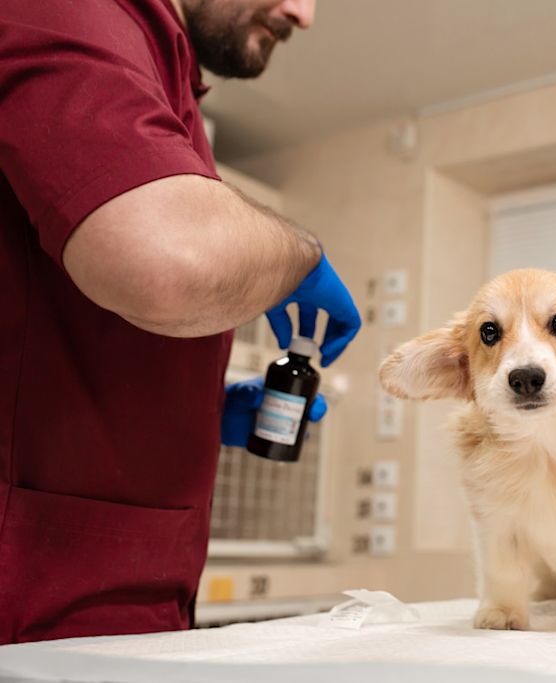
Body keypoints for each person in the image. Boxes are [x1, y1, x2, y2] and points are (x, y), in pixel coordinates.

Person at [0, 0, 361, 643]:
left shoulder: (164, 72)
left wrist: (200, 412)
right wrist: (299, 257)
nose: (304, 15)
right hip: (32, 597)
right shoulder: (71, 10)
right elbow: (164, 259)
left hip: (110, 598)